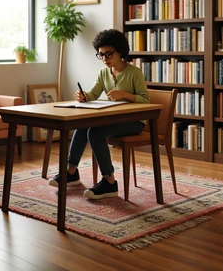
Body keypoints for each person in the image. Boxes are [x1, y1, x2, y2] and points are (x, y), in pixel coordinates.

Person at [48, 29, 150, 199]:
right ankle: (71, 172)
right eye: (101, 54)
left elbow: (146, 100)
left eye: (109, 54)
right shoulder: (104, 73)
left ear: (120, 51)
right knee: (82, 126)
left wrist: (124, 95)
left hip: (134, 122)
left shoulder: (134, 73)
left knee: (95, 133)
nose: (104, 59)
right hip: (115, 120)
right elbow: (93, 94)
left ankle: (109, 182)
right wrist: (84, 96)